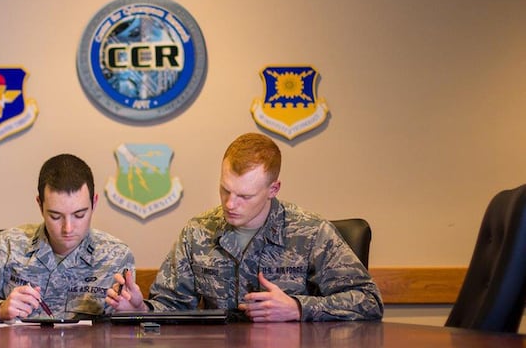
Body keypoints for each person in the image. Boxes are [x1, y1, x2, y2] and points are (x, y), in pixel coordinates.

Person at [106, 133, 384, 322]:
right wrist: (140, 309)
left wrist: (298, 308)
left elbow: (369, 300)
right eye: (225, 190)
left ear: (273, 189)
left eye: (245, 196)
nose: (230, 204)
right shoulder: (198, 233)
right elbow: (172, 306)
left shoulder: (311, 233)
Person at [0, 153, 135, 323]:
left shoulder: (116, 256)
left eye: (79, 215)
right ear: (40, 205)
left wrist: (134, 312)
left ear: (95, 203)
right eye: (55, 216)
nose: (68, 228)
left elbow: (134, 329)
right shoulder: (8, 247)